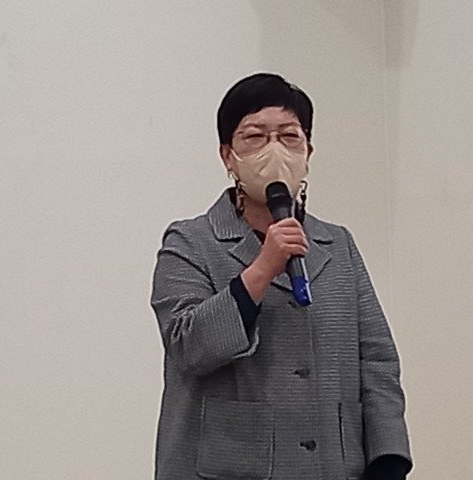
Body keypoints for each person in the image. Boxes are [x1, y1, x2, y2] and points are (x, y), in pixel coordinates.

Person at [150, 73, 413, 480]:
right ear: (227, 155)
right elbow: (189, 347)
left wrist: (388, 461)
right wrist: (262, 268)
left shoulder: (337, 244)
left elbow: (377, 361)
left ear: (308, 151)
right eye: (255, 137)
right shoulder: (190, 242)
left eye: (290, 136)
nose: (275, 150)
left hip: (332, 466)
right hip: (226, 469)